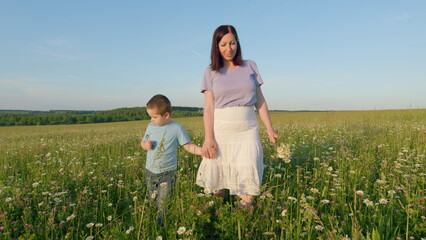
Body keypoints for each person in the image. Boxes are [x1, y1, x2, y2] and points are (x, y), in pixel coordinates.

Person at [196, 25, 278, 207]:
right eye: (223, 44)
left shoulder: (250, 66)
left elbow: (260, 101)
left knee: (249, 170)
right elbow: (209, 107)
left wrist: (270, 130)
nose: (228, 48)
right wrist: (209, 138)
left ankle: (244, 216)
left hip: (248, 128)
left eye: (232, 43)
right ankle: (218, 215)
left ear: (237, 43)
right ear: (216, 46)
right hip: (221, 130)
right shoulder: (210, 72)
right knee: (219, 177)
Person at [140, 94, 202, 226]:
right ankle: (150, 223)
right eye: (150, 116)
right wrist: (144, 145)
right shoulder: (151, 126)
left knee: (163, 202)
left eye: (155, 117)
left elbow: (188, 145)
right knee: (153, 199)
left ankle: (161, 227)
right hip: (150, 171)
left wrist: (202, 151)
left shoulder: (177, 128)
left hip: (167, 173)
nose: (151, 120)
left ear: (166, 115)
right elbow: (143, 141)